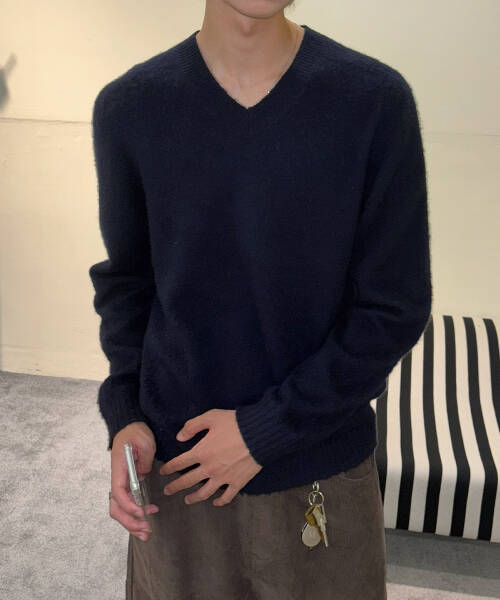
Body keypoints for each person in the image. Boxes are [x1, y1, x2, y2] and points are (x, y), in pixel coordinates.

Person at [88, 1, 432, 598]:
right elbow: (129, 284)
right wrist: (126, 415)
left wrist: (267, 429)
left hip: (318, 464)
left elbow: (393, 306)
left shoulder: (373, 102)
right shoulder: (130, 107)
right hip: (181, 469)